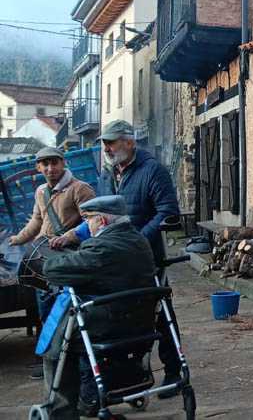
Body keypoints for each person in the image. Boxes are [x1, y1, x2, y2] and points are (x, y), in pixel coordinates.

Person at [52, 119, 183, 398]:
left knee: (159, 313)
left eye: (111, 143)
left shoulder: (152, 171)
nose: (107, 148)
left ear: (130, 142)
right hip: (114, 256)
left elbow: (168, 212)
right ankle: (124, 375)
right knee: (119, 314)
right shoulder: (108, 174)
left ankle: (174, 370)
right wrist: (73, 235)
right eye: (104, 143)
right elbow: (100, 214)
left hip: (145, 256)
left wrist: (138, 240)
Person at [40, 195, 156, 420]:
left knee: (56, 344)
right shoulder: (139, 240)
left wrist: (50, 261)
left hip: (110, 323)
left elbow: (55, 270)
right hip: (142, 320)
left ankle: (61, 411)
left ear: (101, 221)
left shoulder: (102, 247)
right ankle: (89, 397)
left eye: (88, 220)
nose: (87, 225)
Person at [7, 146, 95, 380]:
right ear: (38, 167)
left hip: (69, 260)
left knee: (70, 315)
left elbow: (94, 221)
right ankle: (52, 363)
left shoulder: (80, 189)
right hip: (45, 262)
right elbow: (37, 221)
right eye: (44, 164)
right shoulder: (40, 191)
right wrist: (18, 239)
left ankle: (75, 365)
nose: (50, 168)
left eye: (54, 163)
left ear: (63, 163)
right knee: (47, 315)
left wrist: (69, 236)